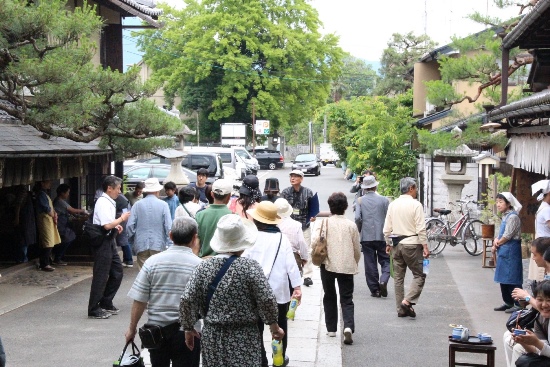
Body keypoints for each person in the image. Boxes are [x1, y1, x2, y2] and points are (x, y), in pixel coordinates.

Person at [180, 214, 284, 367]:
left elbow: (187, 299)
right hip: (245, 336)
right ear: (242, 243)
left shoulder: (203, 267)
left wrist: (188, 328)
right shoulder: (250, 267)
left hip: (212, 336)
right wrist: (274, 327)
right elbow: (266, 298)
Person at [125, 217, 202, 367]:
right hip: (188, 332)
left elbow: (140, 300)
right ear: (194, 238)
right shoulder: (200, 266)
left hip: (156, 333)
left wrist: (131, 329)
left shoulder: (152, 262)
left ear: (170, 235)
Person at [243, 201, 303, 366]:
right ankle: (279, 359)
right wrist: (297, 287)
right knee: (280, 326)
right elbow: (291, 265)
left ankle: (261, 360)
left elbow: (244, 262)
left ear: (256, 220)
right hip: (277, 291)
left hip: (254, 292)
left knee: (257, 328)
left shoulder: (250, 238)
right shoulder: (281, 238)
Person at [315, 192, 360, 345]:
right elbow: (356, 248)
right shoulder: (351, 225)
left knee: (329, 295)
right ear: (345, 207)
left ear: (330, 207)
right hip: (346, 265)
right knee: (347, 298)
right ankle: (347, 326)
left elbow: (315, 242)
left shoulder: (323, 223)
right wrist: (355, 261)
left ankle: (331, 328)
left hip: (327, 264)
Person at [383, 177, 429, 318]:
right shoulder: (416, 205)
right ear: (411, 188)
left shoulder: (393, 204)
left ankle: (400, 309)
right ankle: (407, 301)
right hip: (412, 245)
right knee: (420, 274)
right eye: (415, 188)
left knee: (398, 278)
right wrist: (425, 246)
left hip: (396, 245)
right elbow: (421, 228)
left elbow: (387, 229)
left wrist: (388, 243)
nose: (416, 191)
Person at [88, 175, 130, 319]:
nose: (119, 191)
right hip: (103, 241)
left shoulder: (109, 201)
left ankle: (105, 301)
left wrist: (116, 225)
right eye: (118, 188)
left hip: (109, 239)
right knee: (101, 275)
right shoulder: (103, 201)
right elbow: (106, 225)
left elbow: (108, 223)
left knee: (117, 271)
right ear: (109, 188)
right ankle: (94, 308)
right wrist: (121, 219)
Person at [503, 237, 550, 366]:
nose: (544, 305)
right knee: (513, 340)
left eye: (535, 255)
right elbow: (543, 350)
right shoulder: (542, 320)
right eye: (540, 300)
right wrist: (525, 341)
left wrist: (528, 297)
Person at [354, 176, 390, 298]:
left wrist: (360, 230)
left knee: (370, 262)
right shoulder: (384, 200)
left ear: (364, 188)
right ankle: (383, 280)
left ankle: (375, 290)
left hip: (367, 236)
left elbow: (358, 218)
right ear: (375, 186)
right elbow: (388, 218)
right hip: (382, 235)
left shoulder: (360, 200)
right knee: (386, 260)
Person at [281, 169, 317, 287]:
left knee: (307, 249)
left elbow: (313, 209)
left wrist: (312, 217)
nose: (293, 178)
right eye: (291, 176)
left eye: (296, 176)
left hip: (304, 225)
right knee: (288, 250)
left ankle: (307, 276)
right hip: (289, 227)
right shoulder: (285, 192)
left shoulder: (308, 192)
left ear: (301, 179)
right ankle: (291, 273)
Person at [127, 178, 172, 269]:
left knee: (143, 274)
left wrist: (132, 239)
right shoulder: (163, 205)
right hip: (158, 244)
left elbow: (130, 225)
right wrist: (169, 243)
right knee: (157, 273)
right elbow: (168, 226)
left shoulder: (137, 205)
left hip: (141, 243)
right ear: (157, 191)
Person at [492, 192, 524, 313]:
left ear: (508, 203)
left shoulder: (513, 217)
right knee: (503, 278)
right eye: (497, 202)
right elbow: (500, 234)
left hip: (511, 249)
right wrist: (496, 240)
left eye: (501, 202)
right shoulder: (505, 216)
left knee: (512, 278)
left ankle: (519, 303)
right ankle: (508, 302)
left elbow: (508, 235)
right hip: (504, 249)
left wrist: (497, 244)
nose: (498, 204)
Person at [511, 280, 550, 363]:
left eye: (549, 300)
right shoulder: (540, 319)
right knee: (523, 359)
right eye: (540, 300)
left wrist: (536, 342)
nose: (544, 305)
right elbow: (542, 353)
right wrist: (523, 342)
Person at [196, 179, 233, 258]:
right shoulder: (233, 217)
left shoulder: (199, 215)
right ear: (229, 196)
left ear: (212, 194)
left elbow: (196, 242)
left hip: (203, 262)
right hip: (225, 263)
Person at [52, 184, 86, 266]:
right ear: (62, 193)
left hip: (63, 224)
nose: (68, 194)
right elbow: (72, 210)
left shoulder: (61, 201)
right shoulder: (59, 201)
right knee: (68, 237)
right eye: (67, 192)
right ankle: (58, 257)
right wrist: (83, 211)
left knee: (69, 237)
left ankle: (59, 256)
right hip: (60, 224)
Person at [275, 198, 309, 275]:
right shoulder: (296, 225)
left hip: (276, 256)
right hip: (293, 256)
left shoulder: (274, 224)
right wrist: (304, 257)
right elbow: (301, 242)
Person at [33, 180, 61, 272]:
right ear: (42, 183)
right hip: (45, 219)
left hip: (49, 219)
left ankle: (46, 261)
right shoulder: (41, 195)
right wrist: (53, 214)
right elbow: (46, 208)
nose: (50, 184)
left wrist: (54, 214)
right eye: (48, 182)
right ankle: (44, 263)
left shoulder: (44, 194)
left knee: (50, 241)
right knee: (47, 241)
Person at [530, 181, 550, 282]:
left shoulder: (542, 206)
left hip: (541, 242)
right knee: (545, 272)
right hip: (545, 244)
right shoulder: (547, 209)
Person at [13, 185, 36, 263]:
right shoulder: (23, 194)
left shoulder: (26, 195)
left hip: (27, 219)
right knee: (23, 240)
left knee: (25, 240)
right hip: (24, 220)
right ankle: (22, 259)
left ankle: (23, 258)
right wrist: (17, 218)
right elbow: (18, 206)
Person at [114, 194, 133, 268]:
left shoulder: (118, 197)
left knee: (123, 240)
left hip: (121, 218)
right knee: (124, 239)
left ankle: (129, 259)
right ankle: (127, 259)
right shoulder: (123, 197)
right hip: (123, 217)